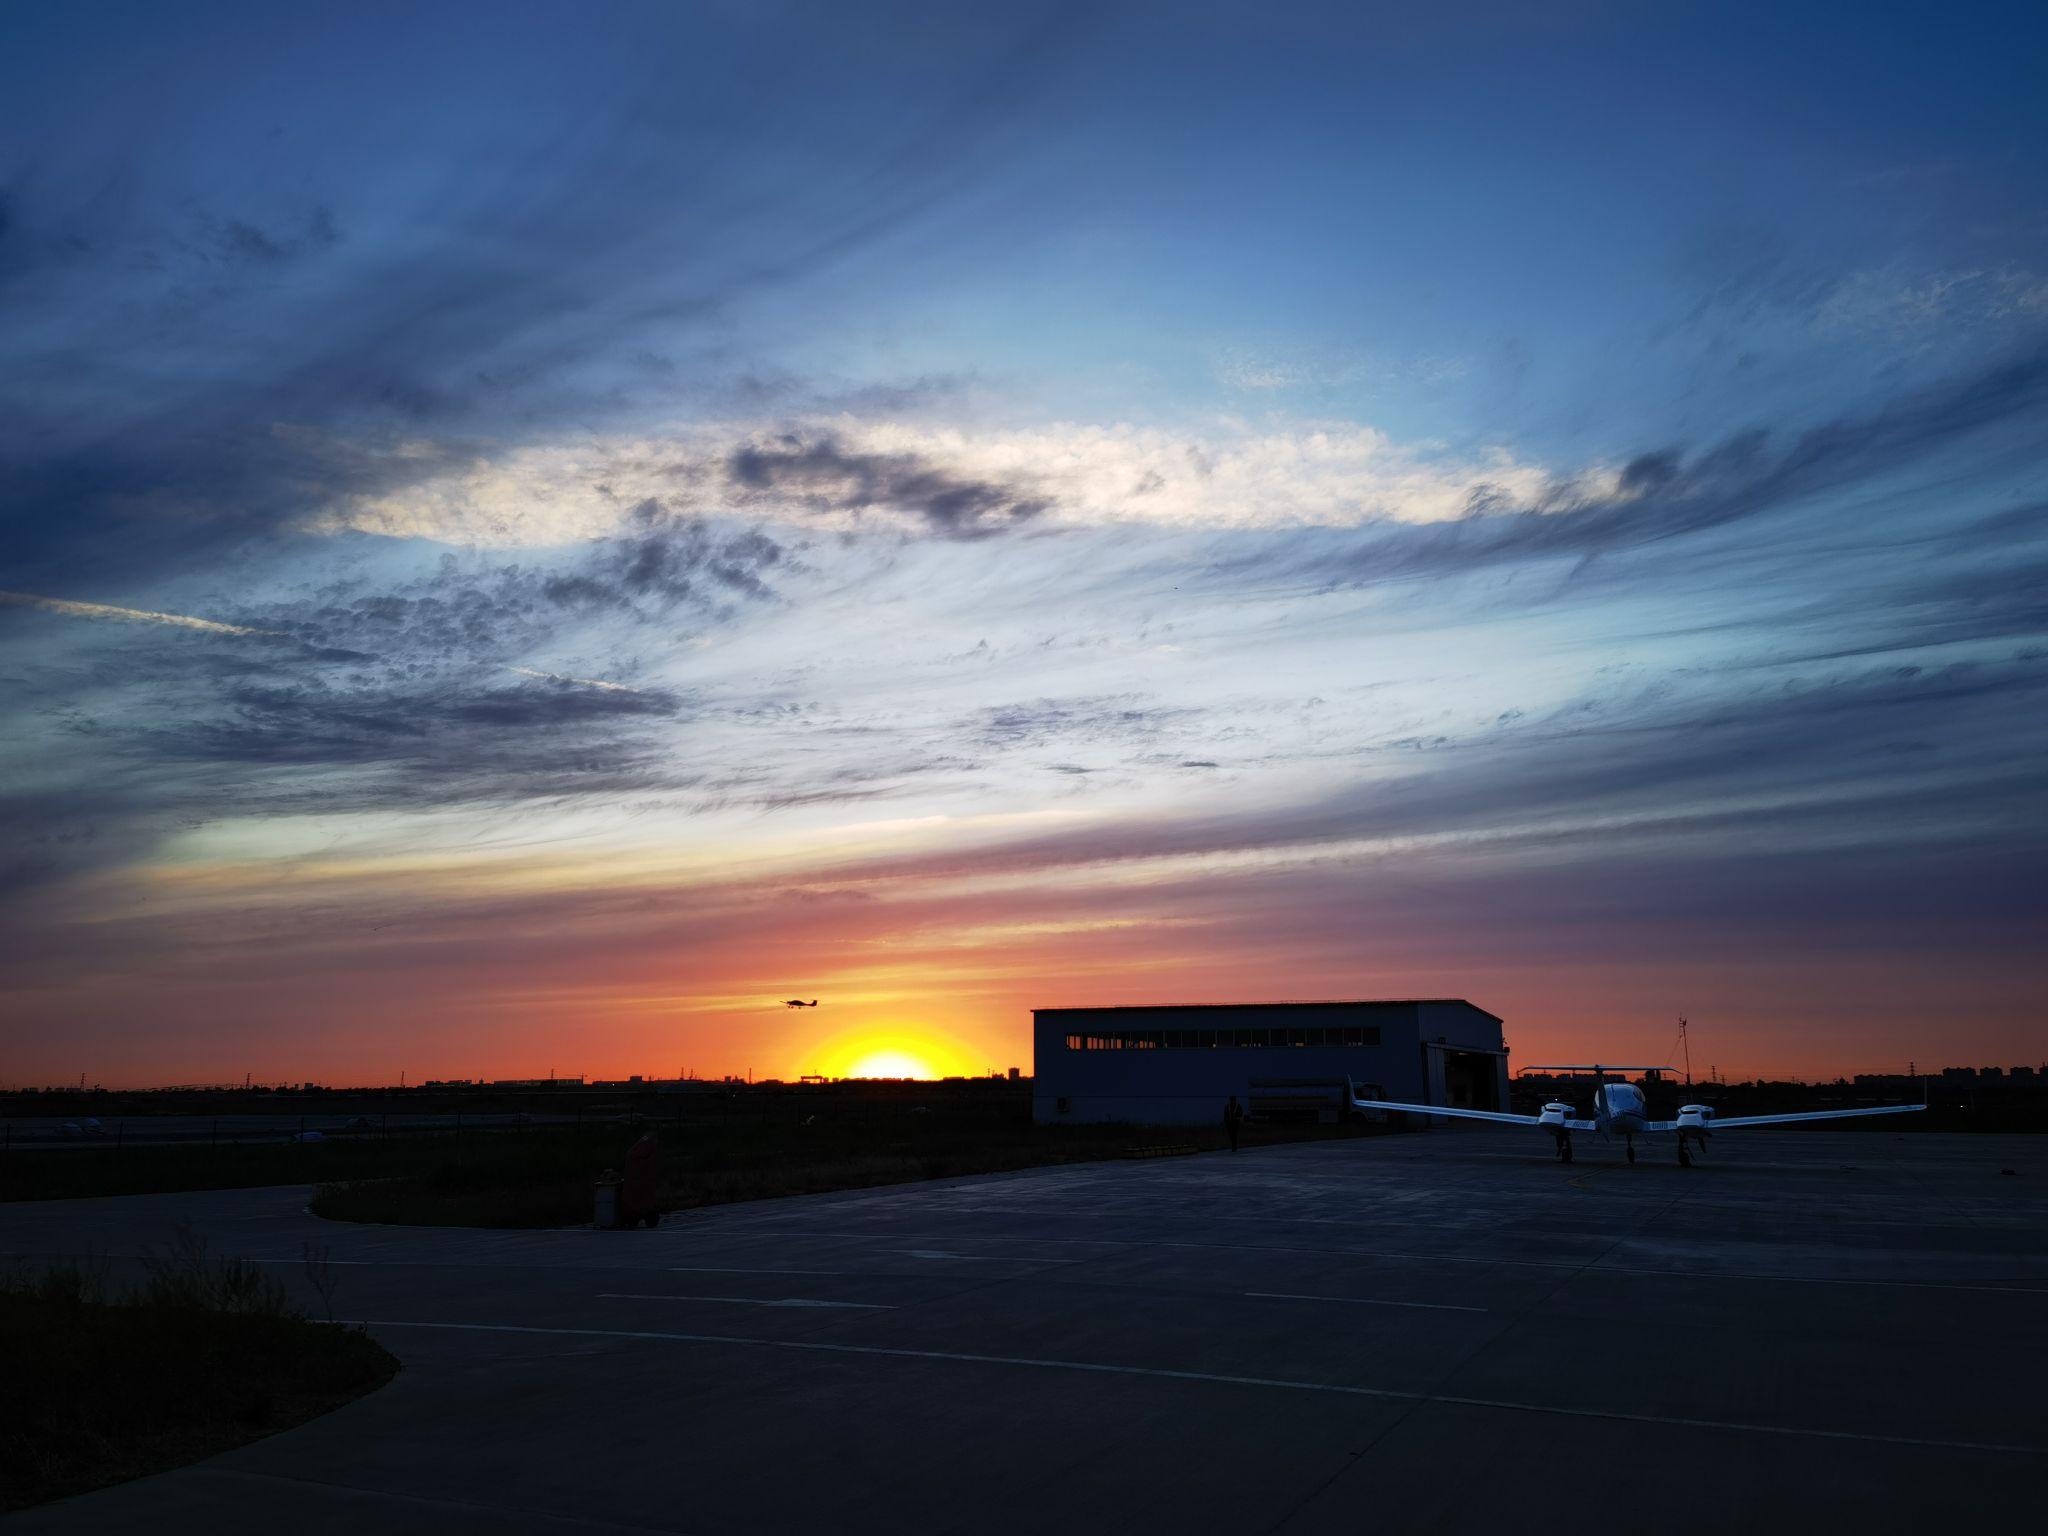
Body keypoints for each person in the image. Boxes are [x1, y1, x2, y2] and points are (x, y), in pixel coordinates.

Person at [621, 1128, 661, 1228]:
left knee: (633, 1199)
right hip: (640, 1180)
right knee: (644, 1199)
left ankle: (633, 1216)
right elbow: (650, 1164)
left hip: (633, 1180)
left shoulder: (636, 1148)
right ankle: (641, 1215)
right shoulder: (647, 1148)